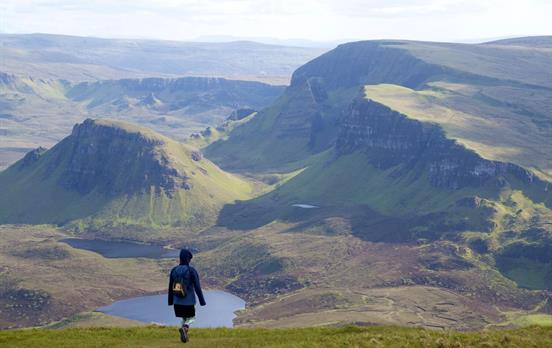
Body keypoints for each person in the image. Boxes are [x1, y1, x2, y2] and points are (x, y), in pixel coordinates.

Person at [168, 249, 206, 343]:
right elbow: (197, 287)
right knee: (191, 318)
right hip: (189, 301)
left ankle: (184, 337)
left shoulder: (174, 270)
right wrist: (202, 301)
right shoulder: (191, 270)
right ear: (188, 259)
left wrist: (170, 301)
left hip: (177, 301)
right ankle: (185, 328)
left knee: (184, 318)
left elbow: (170, 287)